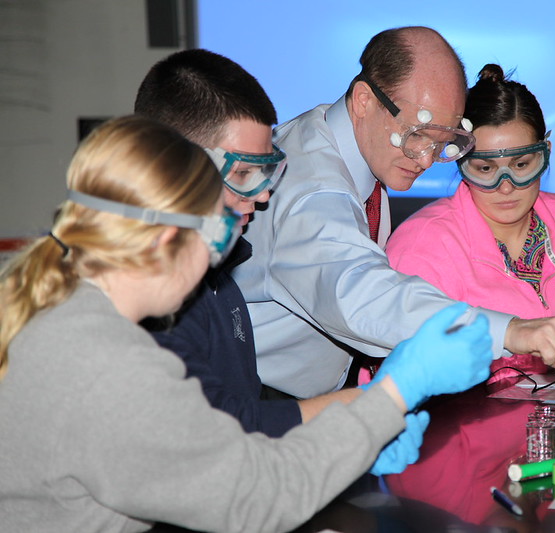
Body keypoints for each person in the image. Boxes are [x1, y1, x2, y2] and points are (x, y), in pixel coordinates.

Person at [0, 115, 494, 533]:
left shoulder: (63, 315)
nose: (222, 253)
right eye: (219, 231)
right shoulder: (105, 364)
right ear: (164, 238)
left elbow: (213, 452)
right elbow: (258, 496)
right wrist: (394, 393)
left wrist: (356, 445)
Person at [235, 26, 555, 400]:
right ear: (364, 101)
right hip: (258, 400)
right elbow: (363, 296)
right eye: (418, 135)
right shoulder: (312, 188)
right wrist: (510, 332)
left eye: (444, 143)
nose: (427, 159)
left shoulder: (339, 140)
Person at [135, 48, 361, 438]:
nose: (261, 196)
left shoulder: (220, 278)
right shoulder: (150, 296)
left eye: (265, 172)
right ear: (172, 166)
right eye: (242, 173)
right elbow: (213, 428)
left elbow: (245, 412)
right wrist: (378, 403)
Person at [385, 64, 555, 381]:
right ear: (460, 162)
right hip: (466, 423)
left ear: (545, 154)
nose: (505, 185)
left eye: (521, 164)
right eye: (485, 169)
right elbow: (404, 362)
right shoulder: (423, 243)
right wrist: (516, 353)